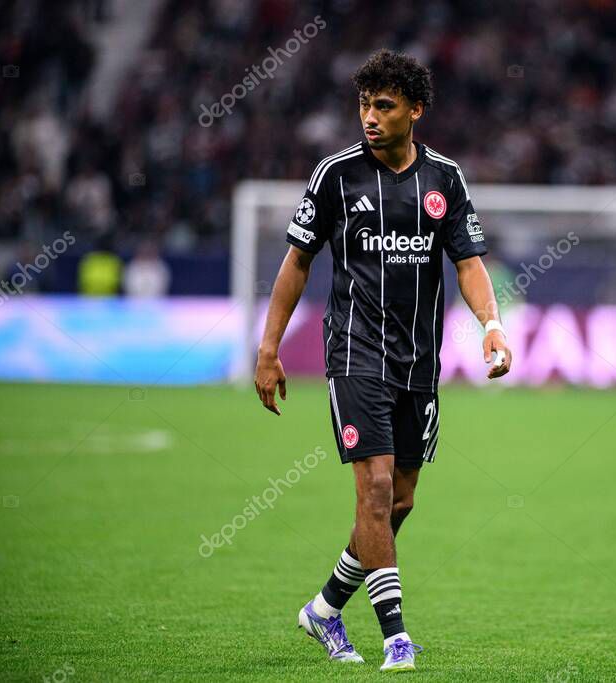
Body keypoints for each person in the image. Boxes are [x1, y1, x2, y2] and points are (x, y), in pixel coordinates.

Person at [253, 49, 512, 672]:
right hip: (354, 353)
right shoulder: (335, 176)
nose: (369, 117)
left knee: (399, 501)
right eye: (364, 105)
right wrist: (268, 349)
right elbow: (297, 263)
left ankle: (324, 607)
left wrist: (492, 326)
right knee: (371, 489)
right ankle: (395, 638)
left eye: (384, 105)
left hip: (419, 360)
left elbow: (469, 263)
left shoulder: (445, 179)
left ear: (414, 111)